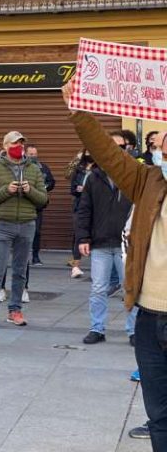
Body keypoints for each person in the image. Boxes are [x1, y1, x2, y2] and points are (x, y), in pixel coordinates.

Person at [63, 80, 167, 451]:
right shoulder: (149, 181)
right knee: (159, 417)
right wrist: (78, 110)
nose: (164, 147)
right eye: (163, 142)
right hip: (150, 318)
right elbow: (108, 154)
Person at [0, 131, 48, 328]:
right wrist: (6, 190)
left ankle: (15, 310)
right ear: (5, 146)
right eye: (15, 143)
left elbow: (43, 199)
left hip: (27, 224)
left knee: (20, 271)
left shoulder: (33, 169)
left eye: (21, 144)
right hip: (2, 224)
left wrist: (30, 191)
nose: (19, 147)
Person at [75, 132, 132, 344]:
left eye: (121, 146)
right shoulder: (94, 177)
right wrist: (83, 238)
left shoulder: (132, 176)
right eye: (112, 145)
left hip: (127, 245)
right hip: (100, 244)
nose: (117, 150)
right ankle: (97, 328)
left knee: (130, 289)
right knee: (98, 288)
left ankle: (134, 331)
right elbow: (84, 210)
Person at [25, 144, 55, 267]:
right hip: (24, 204)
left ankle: (35, 256)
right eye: (31, 154)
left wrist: (44, 188)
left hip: (37, 205)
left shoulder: (43, 167)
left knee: (36, 232)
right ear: (25, 154)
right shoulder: (20, 167)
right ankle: (23, 256)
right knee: (23, 232)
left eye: (35, 154)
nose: (33, 156)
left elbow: (51, 182)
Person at [67, 148, 94, 278]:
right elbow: (72, 189)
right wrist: (78, 189)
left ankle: (97, 266)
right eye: (87, 152)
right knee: (79, 234)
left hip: (96, 206)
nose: (90, 154)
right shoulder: (79, 169)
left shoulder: (100, 170)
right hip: (80, 205)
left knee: (95, 235)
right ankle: (76, 266)